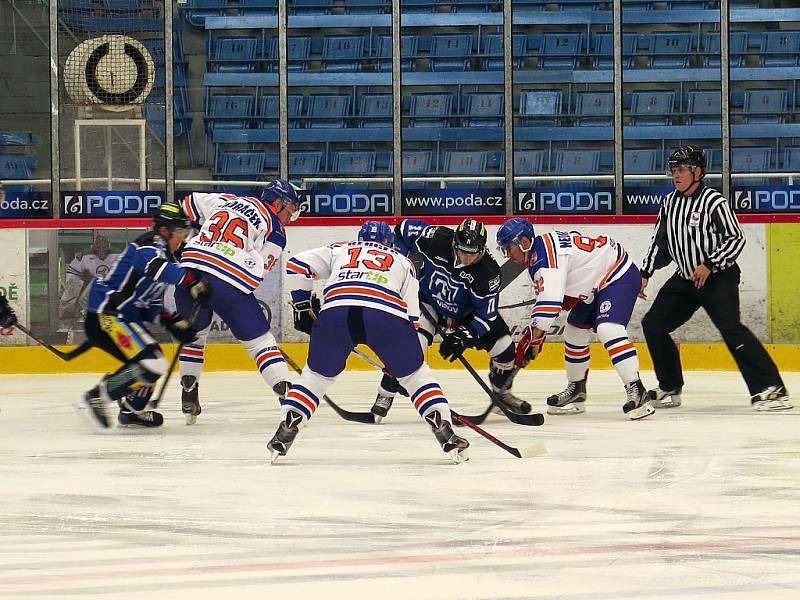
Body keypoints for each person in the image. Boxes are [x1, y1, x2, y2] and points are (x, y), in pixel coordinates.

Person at [269, 221, 469, 464]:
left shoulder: (341, 249)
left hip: (336, 312)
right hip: (385, 316)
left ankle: (289, 422)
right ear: (389, 243)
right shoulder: (404, 262)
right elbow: (413, 319)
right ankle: (442, 426)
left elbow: (297, 264)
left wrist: (302, 307)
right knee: (417, 377)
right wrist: (403, 366)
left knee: (315, 378)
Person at [640, 145, 791, 411]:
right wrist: (645, 273)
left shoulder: (713, 201)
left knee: (731, 328)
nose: (676, 175)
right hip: (686, 278)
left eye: (682, 169)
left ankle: (771, 388)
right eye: (674, 170)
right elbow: (659, 244)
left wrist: (709, 264)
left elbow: (735, 238)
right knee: (653, 324)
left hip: (718, 276)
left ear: (697, 171)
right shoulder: (669, 203)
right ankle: (670, 386)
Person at [367, 217, 529, 422]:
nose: (466, 258)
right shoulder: (436, 239)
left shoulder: (488, 273)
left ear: (482, 249)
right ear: (454, 243)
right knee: (411, 347)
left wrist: (463, 336)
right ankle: (385, 395)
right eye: (462, 251)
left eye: (472, 253)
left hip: (465, 315)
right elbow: (403, 229)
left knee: (505, 349)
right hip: (428, 303)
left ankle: (501, 393)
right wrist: (399, 267)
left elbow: (486, 316)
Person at [497, 217, 655, 420]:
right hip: (595, 283)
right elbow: (564, 285)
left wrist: (535, 338)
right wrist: (536, 333)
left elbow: (548, 306)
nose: (508, 254)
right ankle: (577, 389)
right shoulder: (540, 250)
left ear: (524, 242)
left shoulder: (544, 260)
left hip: (618, 274)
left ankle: (637, 389)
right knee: (574, 332)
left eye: (509, 248)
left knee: (609, 329)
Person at [174, 179, 302, 424]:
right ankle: (288, 397)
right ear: (276, 203)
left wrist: (193, 239)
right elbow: (261, 269)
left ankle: (189, 390)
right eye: (289, 210)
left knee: (194, 337)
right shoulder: (275, 229)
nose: (289, 218)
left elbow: (187, 204)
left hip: (189, 271)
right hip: (228, 280)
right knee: (261, 343)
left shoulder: (227, 199)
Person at [78, 204, 211, 429]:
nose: (182, 238)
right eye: (179, 232)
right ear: (163, 231)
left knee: (152, 360)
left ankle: (132, 410)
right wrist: (192, 281)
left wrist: (172, 322)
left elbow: (150, 306)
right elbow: (156, 268)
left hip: (122, 317)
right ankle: (99, 395)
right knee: (151, 362)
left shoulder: (167, 257)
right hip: (106, 314)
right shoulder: (148, 246)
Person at [58, 234, 120, 340]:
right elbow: (71, 275)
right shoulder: (84, 255)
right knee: (75, 286)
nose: (101, 251)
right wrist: (82, 278)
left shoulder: (119, 255)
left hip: (110, 291)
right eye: (98, 248)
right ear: (93, 247)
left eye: (104, 247)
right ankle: (73, 317)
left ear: (109, 246)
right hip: (90, 291)